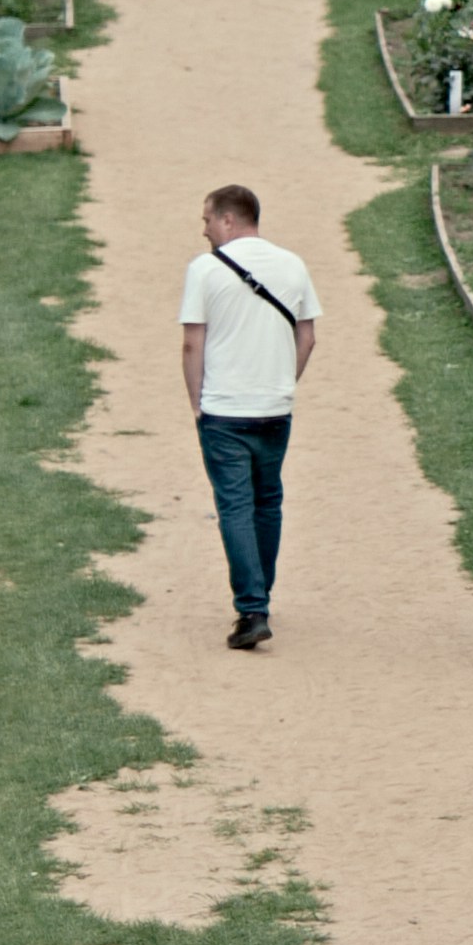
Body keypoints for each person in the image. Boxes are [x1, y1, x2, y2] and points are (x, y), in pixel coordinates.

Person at [178, 180, 320, 655]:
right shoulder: (293, 264)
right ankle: (262, 597)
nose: (204, 230)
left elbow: (192, 342)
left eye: (207, 220)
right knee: (268, 501)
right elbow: (308, 336)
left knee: (235, 506)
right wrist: (285, 381)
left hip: (224, 410)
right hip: (275, 407)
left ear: (229, 219)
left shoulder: (204, 270)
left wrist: (197, 400)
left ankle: (252, 608)